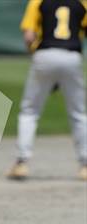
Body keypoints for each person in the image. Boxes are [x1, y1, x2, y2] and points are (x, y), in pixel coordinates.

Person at [8, 0, 87, 180]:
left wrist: (36, 57)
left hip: (45, 53)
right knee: (78, 113)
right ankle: (85, 165)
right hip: (72, 56)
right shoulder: (82, 2)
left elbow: (29, 36)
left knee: (30, 111)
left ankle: (21, 163)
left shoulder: (38, 1)